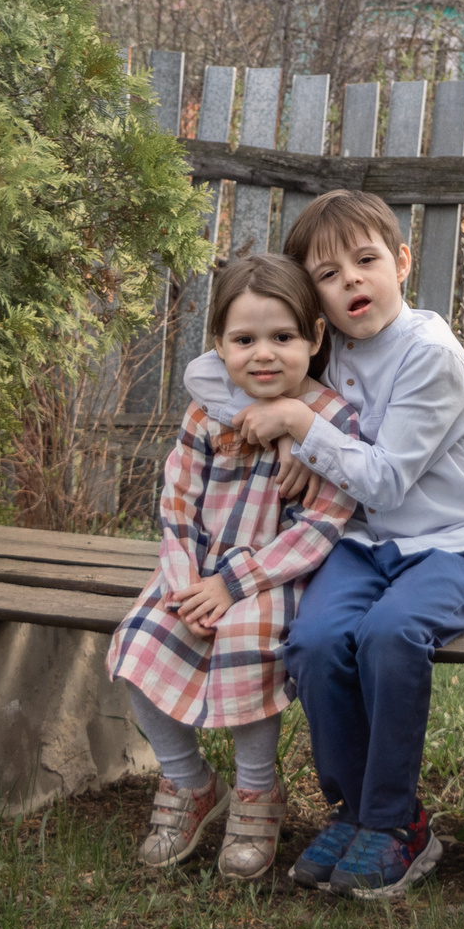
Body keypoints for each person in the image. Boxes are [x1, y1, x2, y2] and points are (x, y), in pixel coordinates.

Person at [184, 188, 464, 898]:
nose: (352, 281)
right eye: (328, 276)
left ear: (401, 262)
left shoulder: (429, 354)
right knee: (314, 640)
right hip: (364, 543)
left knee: (389, 636)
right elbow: (204, 372)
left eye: (366, 261)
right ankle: (353, 809)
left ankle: (397, 822)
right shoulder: (329, 349)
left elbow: (387, 480)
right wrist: (281, 408)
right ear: (313, 304)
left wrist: (301, 423)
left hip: (453, 545)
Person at [107, 253, 360, 879]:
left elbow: (321, 525)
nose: (263, 355)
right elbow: (177, 502)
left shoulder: (331, 421)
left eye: (283, 337)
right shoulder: (206, 413)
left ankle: (256, 789)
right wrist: (183, 583)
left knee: (248, 641)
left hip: (277, 574)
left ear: (315, 337)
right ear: (219, 345)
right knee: (141, 638)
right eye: (244, 340)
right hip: (199, 567)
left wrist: (233, 585)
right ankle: (189, 781)